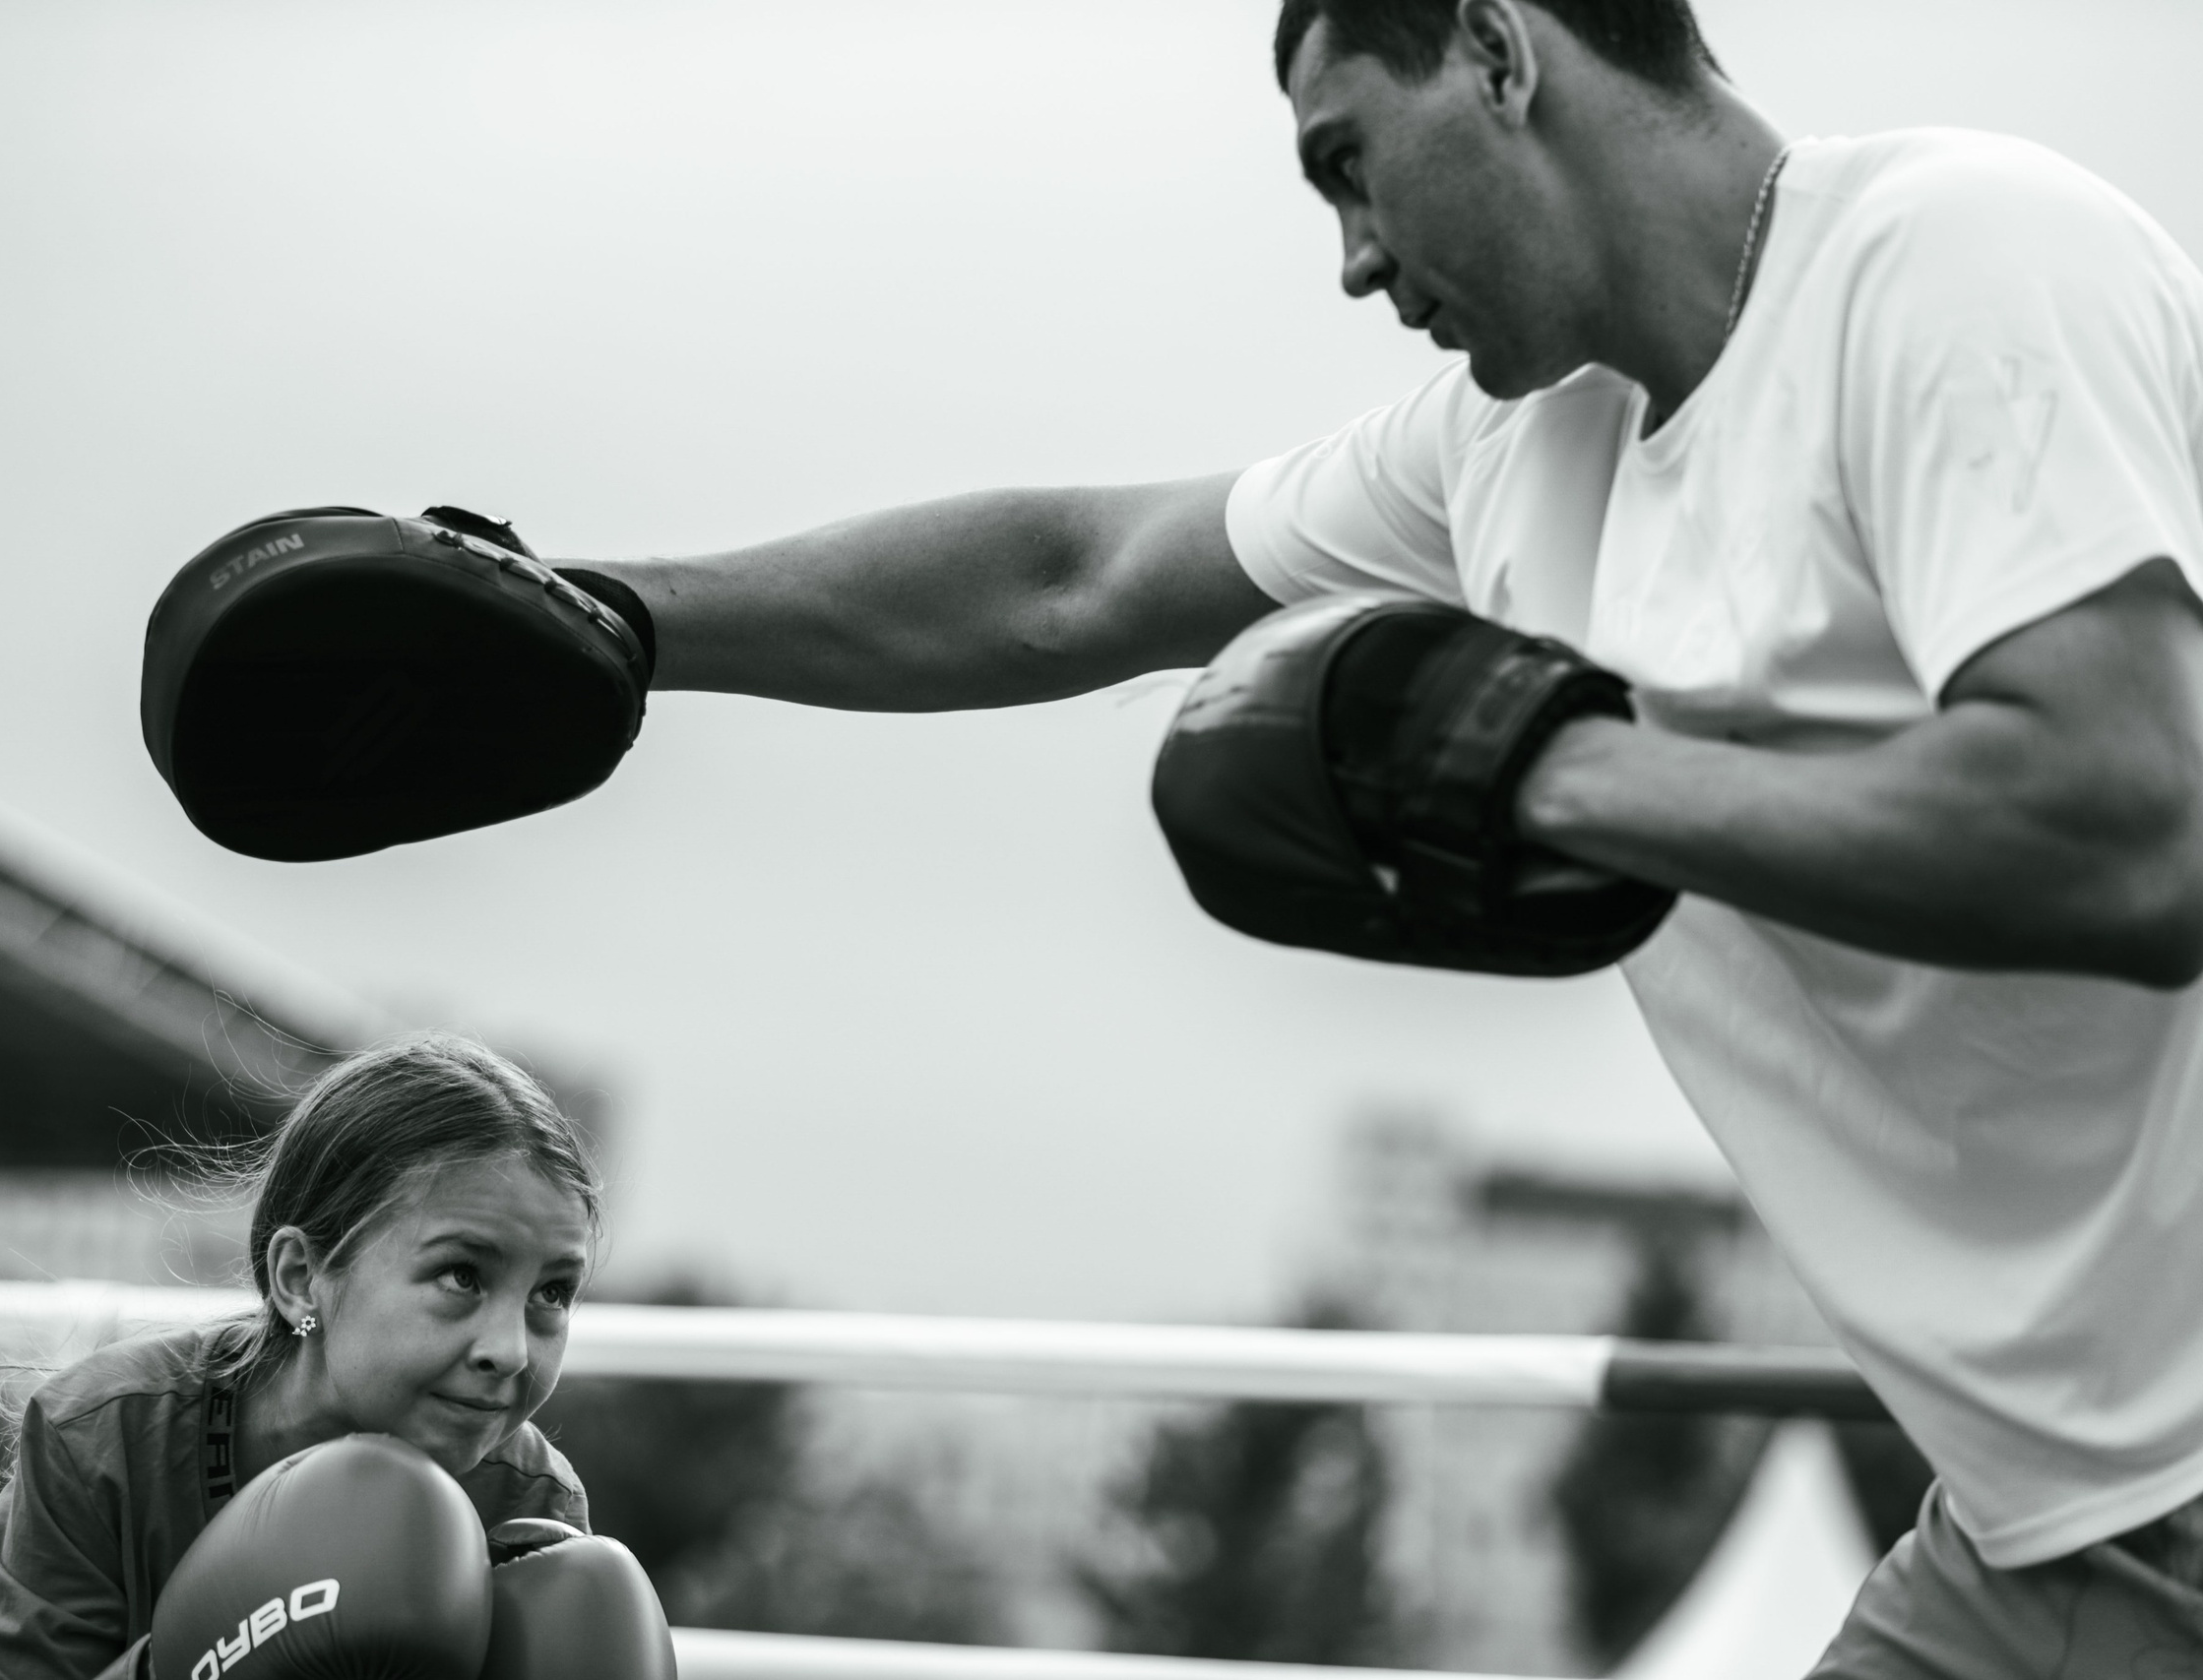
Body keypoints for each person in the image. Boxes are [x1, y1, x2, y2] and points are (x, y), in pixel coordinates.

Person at [549, 1, 2203, 1671]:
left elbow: (2139, 825)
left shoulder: (1957, 260)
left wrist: (1549, 780)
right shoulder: (1513, 448)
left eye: (1351, 162)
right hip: (2039, 1516)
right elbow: (1074, 581)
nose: (1351, 257)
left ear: (1498, 47)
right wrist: (602, 618)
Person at [0, 1034, 602, 1680]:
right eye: (461, 1274)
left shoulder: (531, 1501)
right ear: (300, 1277)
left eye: (552, 1291)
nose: (511, 1350)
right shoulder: (105, 1439)